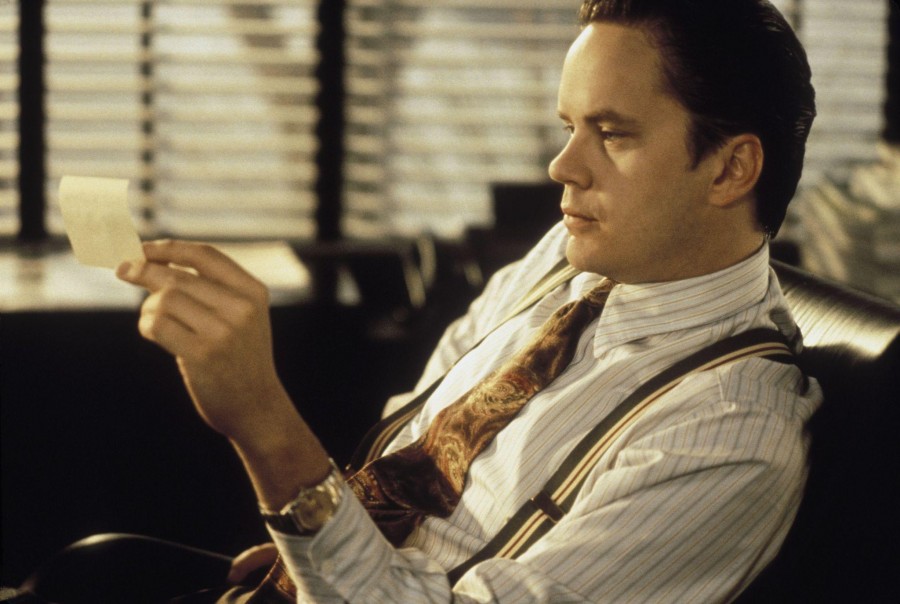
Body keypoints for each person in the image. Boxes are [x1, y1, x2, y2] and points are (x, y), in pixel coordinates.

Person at [17, 0, 822, 602]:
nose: (562, 167)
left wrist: (263, 422)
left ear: (730, 170)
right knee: (82, 570)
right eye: (568, 127)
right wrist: (326, 551)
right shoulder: (565, 260)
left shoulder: (729, 434)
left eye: (612, 134)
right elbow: (420, 438)